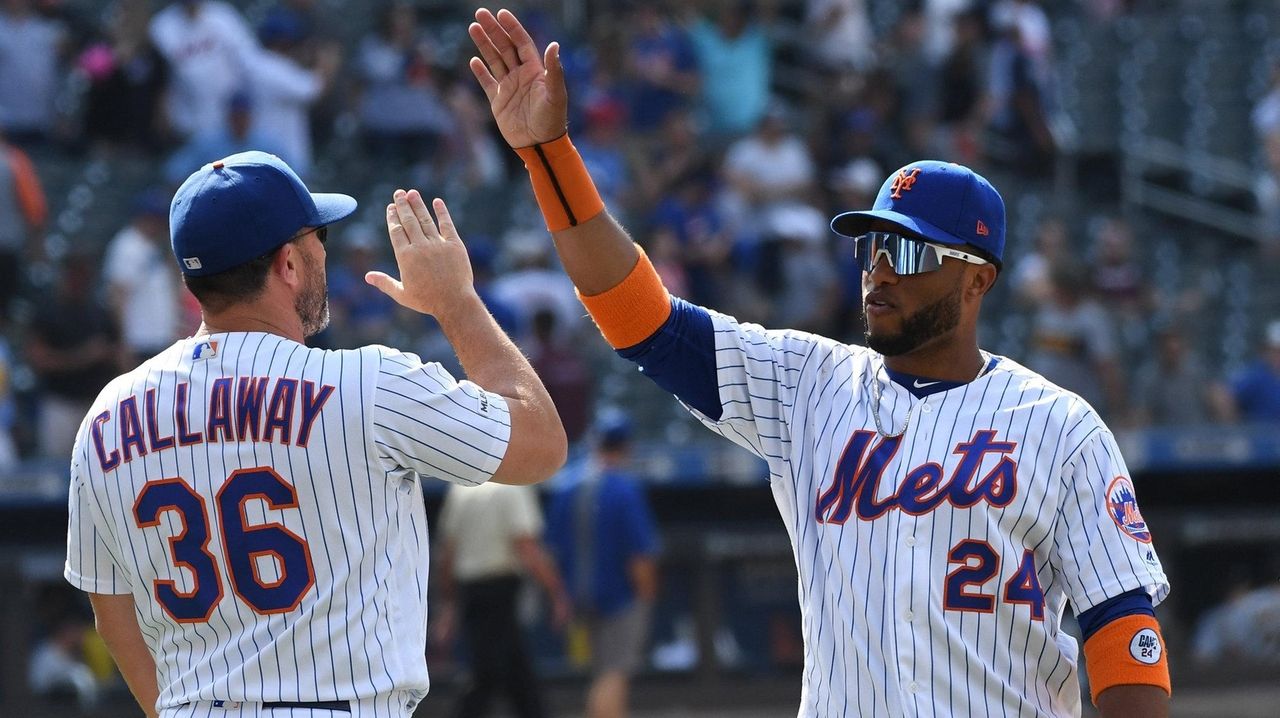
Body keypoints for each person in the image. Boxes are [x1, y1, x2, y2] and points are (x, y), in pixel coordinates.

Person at [466, 8, 1171, 716]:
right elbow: (639, 319)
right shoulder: (808, 384)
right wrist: (548, 153)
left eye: (911, 252)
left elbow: (1123, 633)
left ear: (978, 279)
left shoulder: (1060, 427)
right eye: (873, 246)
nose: (882, 271)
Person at [63, 150, 567, 718]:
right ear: (288, 264)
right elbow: (541, 443)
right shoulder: (368, 383)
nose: (323, 251)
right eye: (317, 236)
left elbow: (111, 612)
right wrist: (456, 303)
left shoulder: (106, 416)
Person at [547, 415, 658, 718]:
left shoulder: (566, 485)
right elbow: (640, 556)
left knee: (601, 672)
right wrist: (646, 596)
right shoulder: (624, 489)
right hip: (620, 598)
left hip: (577, 598)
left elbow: (551, 550)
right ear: (625, 446)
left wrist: (560, 596)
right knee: (614, 673)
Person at [434, 480, 571, 718]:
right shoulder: (513, 487)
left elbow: (447, 553)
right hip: (499, 589)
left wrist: (449, 603)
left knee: (514, 672)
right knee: (489, 674)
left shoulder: (462, 488)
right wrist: (556, 592)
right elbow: (527, 548)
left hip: (471, 590)